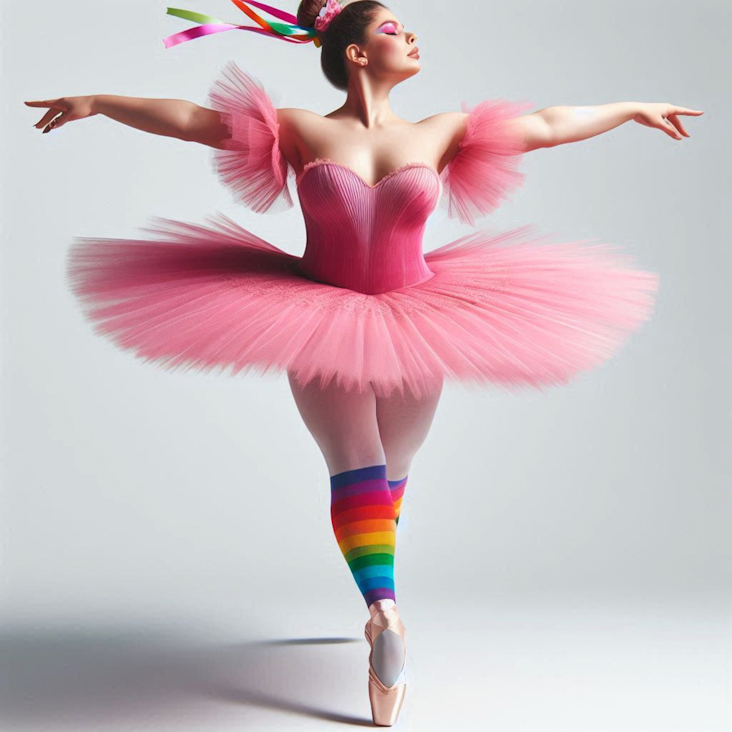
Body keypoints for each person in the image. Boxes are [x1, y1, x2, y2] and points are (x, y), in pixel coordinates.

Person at [24, 0, 702, 725]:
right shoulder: (299, 128)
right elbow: (192, 119)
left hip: (419, 319)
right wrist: (97, 101)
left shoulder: (441, 131)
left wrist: (632, 106)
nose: (410, 35)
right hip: (318, 315)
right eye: (390, 28)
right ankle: (384, 612)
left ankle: (378, 596)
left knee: (388, 470)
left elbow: (544, 126)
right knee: (358, 462)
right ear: (352, 52)